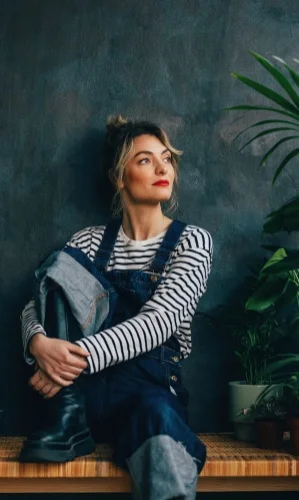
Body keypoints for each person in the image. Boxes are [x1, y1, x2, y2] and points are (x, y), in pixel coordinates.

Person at [20, 115, 213, 500]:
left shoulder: (191, 241)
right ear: (118, 177)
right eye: (144, 160)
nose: (162, 168)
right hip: (80, 397)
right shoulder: (89, 241)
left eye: (167, 158)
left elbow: (159, 322)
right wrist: (39, 347)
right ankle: (68, 415)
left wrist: (72, 359)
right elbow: (37, 303)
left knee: (159, 421)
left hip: (148, 394)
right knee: (56, 270)